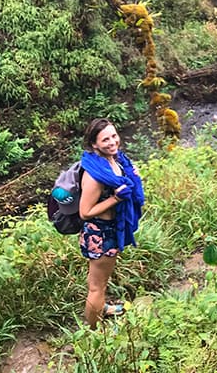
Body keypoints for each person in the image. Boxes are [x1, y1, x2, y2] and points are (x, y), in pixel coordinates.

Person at [78, 117, 145, 328]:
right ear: (94, 144)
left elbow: (124, 181)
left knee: (100, 283)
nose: (112, 142)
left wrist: (133, 177)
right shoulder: (93, 175)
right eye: (105, 139)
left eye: (114, 136)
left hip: (111, 230)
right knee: (97, 287)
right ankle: (94, 330)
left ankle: (102, 309)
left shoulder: (114, 160)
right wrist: (115, 199)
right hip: (101, 233)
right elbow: (85, 212)